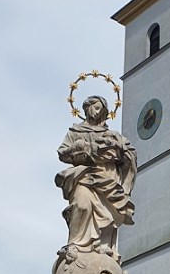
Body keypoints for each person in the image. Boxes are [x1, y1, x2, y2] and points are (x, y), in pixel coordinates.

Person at [56, 96, 137, 257]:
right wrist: (82, 148)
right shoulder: (75, 132)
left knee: (108, 213)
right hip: (84, 175)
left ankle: (101, 245)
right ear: (87, 108)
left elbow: (129, 154)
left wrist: (121, 149)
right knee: (82, 205)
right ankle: (75, 244)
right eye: (95, 107)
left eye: (100, 108)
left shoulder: (112, 135)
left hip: (108, 176)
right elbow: (62, 153)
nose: (97, 111)